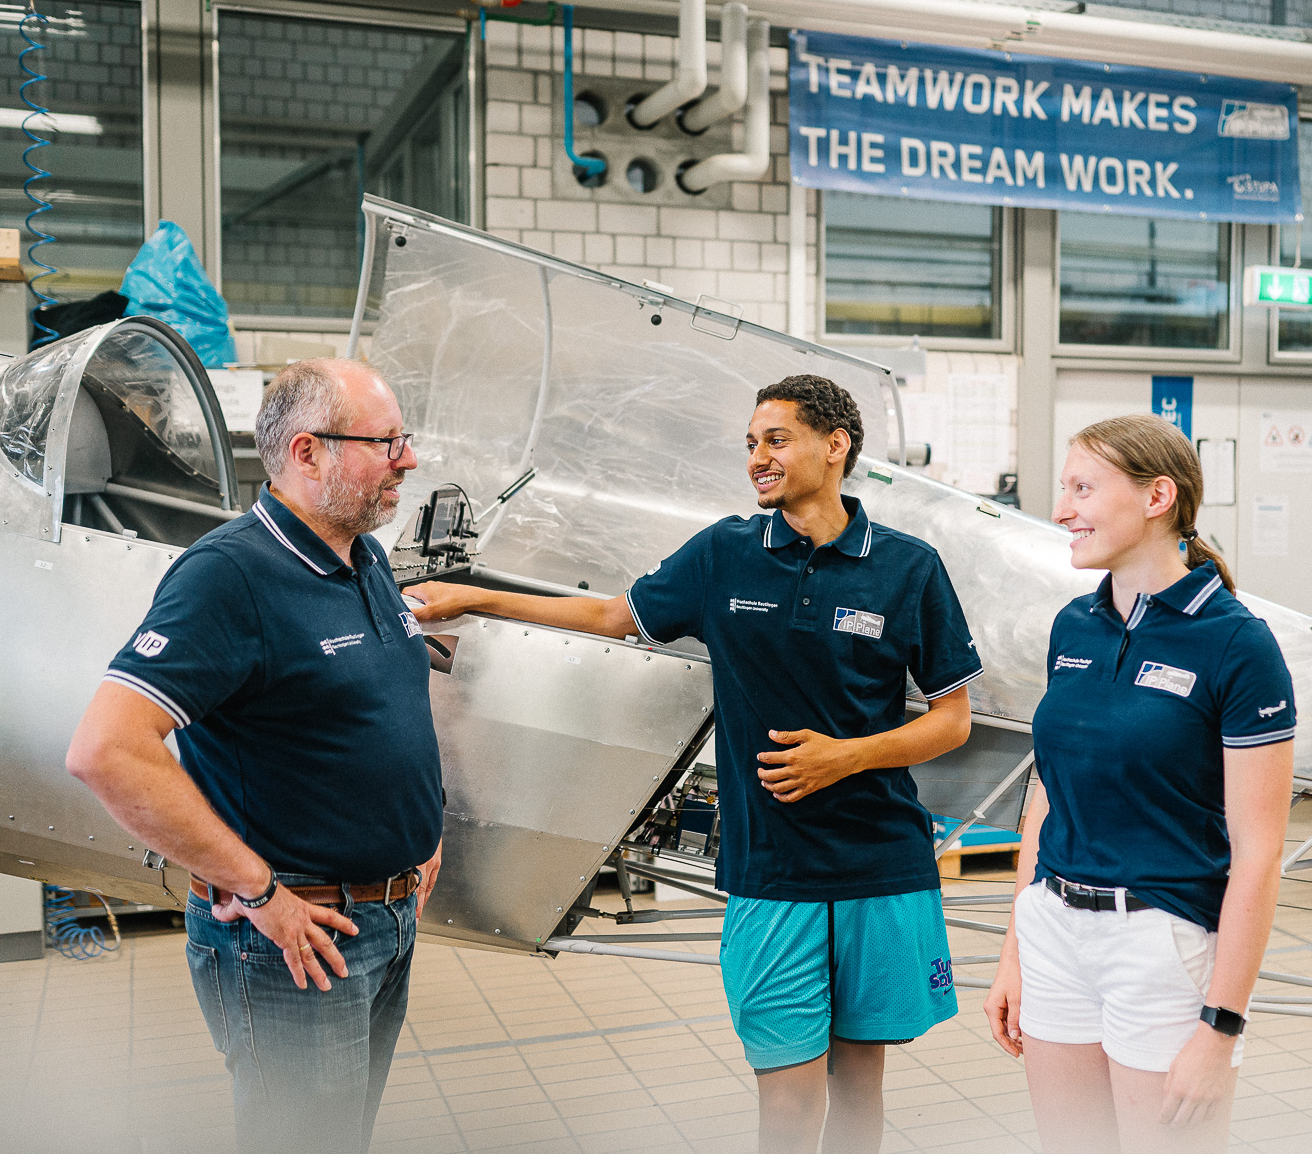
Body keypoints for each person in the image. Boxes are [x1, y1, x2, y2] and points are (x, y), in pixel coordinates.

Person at [408, 374, 982, 1154]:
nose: (758, 459)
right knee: (786, 1099)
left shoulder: (909, 569)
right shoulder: (724, 555)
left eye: (776, 440)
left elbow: (953, 720)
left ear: (835, 445)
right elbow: (615, 616)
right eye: (751, 445)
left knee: (859, 1087)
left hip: (882, 864)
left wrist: (846, 758)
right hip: (770, 872)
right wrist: (475, 597)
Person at [66, 359, 445, 1154]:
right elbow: (109, 750)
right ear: (308, 453)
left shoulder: (360, 556)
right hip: (291, 939)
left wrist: (420, 837)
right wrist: (258, 889)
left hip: (384, 919)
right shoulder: (229, 576)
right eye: (386, 443)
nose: (407, 460)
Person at [983, 415, 1294, 1154]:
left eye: (1084, 489)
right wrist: (1015, 950)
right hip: (1055, 928)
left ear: (1159, 497)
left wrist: (1220, 1029)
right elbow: (1049, 796)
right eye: (1066, 489)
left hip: (1163, 941)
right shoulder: (1074, 627)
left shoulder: (1236, 644)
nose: (1063, 510)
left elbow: (1258, 853)